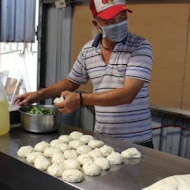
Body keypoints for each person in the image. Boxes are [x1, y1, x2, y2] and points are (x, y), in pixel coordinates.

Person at [14, 0, 153, 148]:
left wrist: (80, 99)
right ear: (96, 24)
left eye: (123, 18)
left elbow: (128, 94)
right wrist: (38, 95)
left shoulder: (140, 46)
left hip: (137, 141)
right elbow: (71, 82)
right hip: (102, 139)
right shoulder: (88, 50)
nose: (119, 24)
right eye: (111, 21)